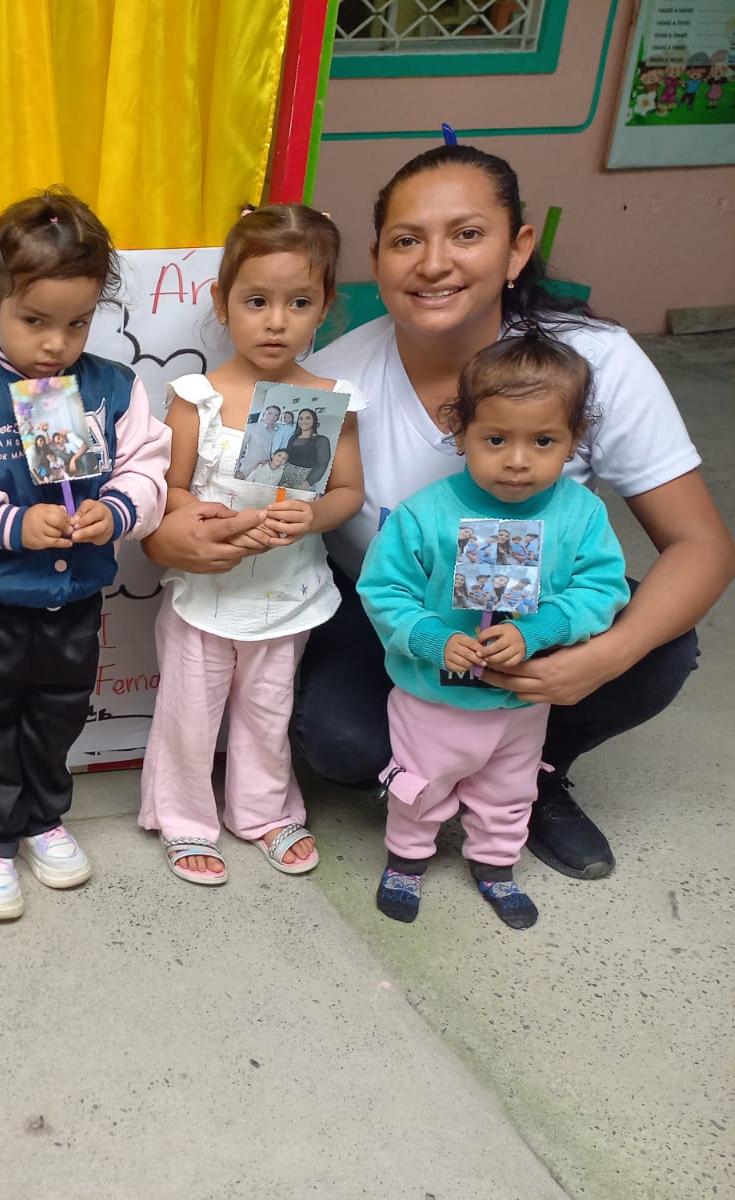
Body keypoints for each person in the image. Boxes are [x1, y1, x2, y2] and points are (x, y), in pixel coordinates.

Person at [142, 143, 732, 880]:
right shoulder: (328, 384)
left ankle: (529, 772)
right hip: (390, 615)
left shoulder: (593, 362)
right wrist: (180, 536)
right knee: (340, 742)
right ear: (375, 260)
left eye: (467, 234)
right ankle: (430, 771)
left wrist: (602, 657)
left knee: (659, 648)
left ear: (517, 248)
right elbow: (254, 504)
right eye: (406, 241)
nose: (433, 263)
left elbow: (701, 546)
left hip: (530, 620)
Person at [0, 186, 170, 920]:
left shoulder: (114, 388)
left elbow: (148, 468)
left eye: (76, 323)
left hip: (75, 599)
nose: (55, 344)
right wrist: (12, 524)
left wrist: (116, 511)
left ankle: (44, 817)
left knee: (59, 713)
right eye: (35, 321)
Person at [359, 334, 629, 929]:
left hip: (520, 703)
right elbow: (384, 589)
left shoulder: (582, 514)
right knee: (420, 786)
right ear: (461, 432)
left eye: (543, 441)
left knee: (510, 789)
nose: (518, 460)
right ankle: (406, 861)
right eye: (496, 439)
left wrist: (543, 629)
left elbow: (603, 587)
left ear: (575, 439)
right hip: (434, 697)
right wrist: (431, 638)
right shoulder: (424, 514)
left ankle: (496, 864)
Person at [138, 204, 364, 884]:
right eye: (257, 301)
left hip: (286, 594)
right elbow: (169, 490)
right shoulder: (197, 397)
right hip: (206, 594)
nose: (276, 321)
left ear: (325, 307)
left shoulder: (330, 400)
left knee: (269, 712)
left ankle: (264, 811)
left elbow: (348, 492)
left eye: (299, 303)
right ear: (222, 302)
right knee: (189, 713)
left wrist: (312, 517)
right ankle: (183, 817)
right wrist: (206, 515)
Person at [284, 408, 333, 487]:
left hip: (304, 481)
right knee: (279, 495)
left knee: (295, 496)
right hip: (284, 478)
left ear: (314, 420)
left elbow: (322, 465)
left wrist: (306, 484)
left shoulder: (321, 440)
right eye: (301, 418)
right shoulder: (293, 438)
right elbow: (286, 456)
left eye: (308, 418)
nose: (304, 421)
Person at [236, 402, 282, 477]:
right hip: (248, 469)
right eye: (270, 413)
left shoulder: (277, 433)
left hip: (265, 470)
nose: (272, 417)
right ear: (264, 414)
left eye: (276, 415)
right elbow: (240, 449)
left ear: (278, 418)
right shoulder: (251, 428)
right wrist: (237, 470)